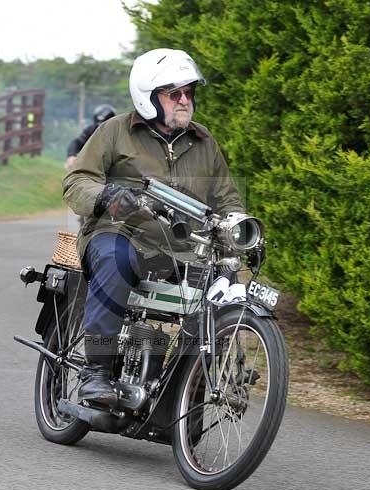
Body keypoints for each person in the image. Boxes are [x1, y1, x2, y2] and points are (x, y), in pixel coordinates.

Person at [63, 49, 244, 405]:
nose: (184, 100)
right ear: (148, 97)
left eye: (189, 93)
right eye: (174, 93)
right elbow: (77, 181)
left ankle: (189, 392)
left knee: (223, 286)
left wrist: (237, 226)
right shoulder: (116, 131)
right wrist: (108, 197)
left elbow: (227, 198)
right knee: (114, 258)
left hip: (183, 249)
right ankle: (96, 371)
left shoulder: (204, 141)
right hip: (121, 236)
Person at [64, 103, 116, 170]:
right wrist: (71, 156)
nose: (101, 128)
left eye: (104, 125)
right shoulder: (91, 130)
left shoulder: (118, 133)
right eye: (99, 125)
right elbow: (77, 142)